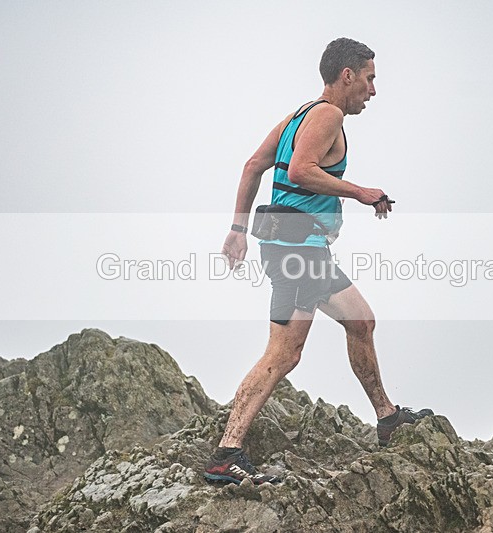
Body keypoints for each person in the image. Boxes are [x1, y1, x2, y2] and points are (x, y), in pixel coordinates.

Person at [204, 37, 433, 485]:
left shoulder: (299, 115)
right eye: (369, 79)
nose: (372, 90)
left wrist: (236, 230)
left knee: (361, 321)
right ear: (347, 75)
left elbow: (254, 165)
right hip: (297, 251)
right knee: (283, 353)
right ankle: (226, 452)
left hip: (303, 250)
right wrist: (360, 192)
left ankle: (386, 417)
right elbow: (299, 171)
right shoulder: (327, 114)